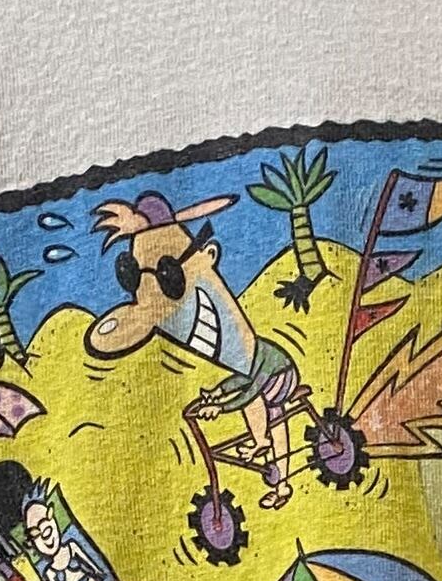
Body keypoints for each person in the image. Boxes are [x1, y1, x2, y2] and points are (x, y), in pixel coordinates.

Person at [87, 188, 305, 505]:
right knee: (263, 410)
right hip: (253, 374)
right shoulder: (227, 350)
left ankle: (270, 459)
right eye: (131, 275)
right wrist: (214, 395)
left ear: (208, 256)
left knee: (264, 408)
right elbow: (239, 380)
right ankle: (273, 468)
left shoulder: (246, 348)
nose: (149, 291)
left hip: (277, 372)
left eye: (168, 275)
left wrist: (221, 407)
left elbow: (250, 387)